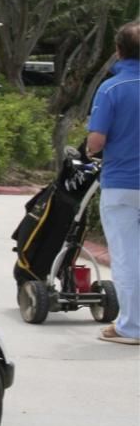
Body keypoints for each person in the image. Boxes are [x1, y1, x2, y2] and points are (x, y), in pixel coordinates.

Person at [87, 21, 139, 346]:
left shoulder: (112, 89)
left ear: (118, 51)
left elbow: (96, 141)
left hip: (122, 185)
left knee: (126, 255)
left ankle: (131, 328)